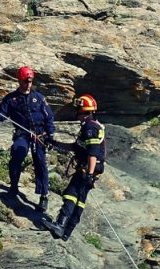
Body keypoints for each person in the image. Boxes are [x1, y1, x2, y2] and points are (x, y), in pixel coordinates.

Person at [0, 66, 55, 212]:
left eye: (30, 81)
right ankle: (13, 188)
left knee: (40, 163)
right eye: (25, 81)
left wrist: (51, 136)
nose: (28, 84)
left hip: (40, 135)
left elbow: (49, 117)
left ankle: (43, 196)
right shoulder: (11, 99)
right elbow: (0, 117)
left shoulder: (39, 98)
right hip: (22, 134)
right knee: (16, 154)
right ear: (19, 80)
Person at [43, 94, 107, 241]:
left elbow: (93, 153)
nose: (77, 113)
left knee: (71, 194)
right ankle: (67, 232)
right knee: (80, 200)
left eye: (78, 109)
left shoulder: (90, 128)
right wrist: (54, 143)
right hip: (91, 168)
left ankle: (60, 225)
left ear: (83, 111)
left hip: (88, 168)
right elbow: (75, 147)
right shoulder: (92, 125)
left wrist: (89, 175)